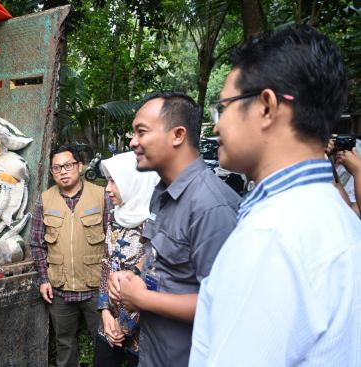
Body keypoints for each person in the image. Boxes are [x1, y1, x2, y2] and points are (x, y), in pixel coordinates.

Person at [190, 26, 361, 366]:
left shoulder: (271, 238)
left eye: (223, 108)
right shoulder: (335, 214)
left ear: (267, 107)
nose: (216, 126)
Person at [107, 92, 240, 367]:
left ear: (177, 135)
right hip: (153, 353)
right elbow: (157, 254)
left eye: (141, 132)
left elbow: (222, 305)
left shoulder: (211, 206)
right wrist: (129, 275)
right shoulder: (161, 193)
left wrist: (143, 299)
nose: (133, 142)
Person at [30, 145, 109, 367]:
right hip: (60, 288)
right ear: (52, 172)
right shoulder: (45, 200)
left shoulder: (101, 196)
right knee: (64, 344)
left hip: (95, 287)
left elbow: (112, 241)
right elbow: (37, 243)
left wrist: (108, 282)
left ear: (80, 166)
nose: (63, 171)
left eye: (68, 165)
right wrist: (44, 279)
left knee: (104, 343)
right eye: (57, 168)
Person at [93, 152, 159, 367]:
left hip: (142, 330)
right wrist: (104, 312)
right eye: (108, 180)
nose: (107, 188)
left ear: (134, 181)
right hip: (109, 321)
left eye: (114, 181)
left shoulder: (155, 223)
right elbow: (106, 264)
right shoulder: (115, 215)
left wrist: (123, 326)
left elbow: (153, 279)